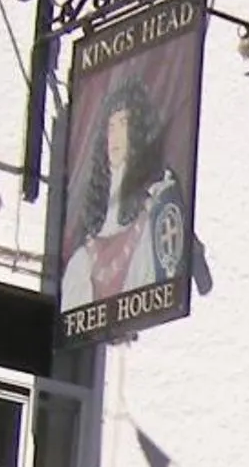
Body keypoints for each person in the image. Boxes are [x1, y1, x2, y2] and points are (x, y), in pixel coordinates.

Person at [59, 74, 185, 310]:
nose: (114, 136)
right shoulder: (84, 258)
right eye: (110, 126)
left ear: (137, 130)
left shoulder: (155, 209)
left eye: (124, 123)